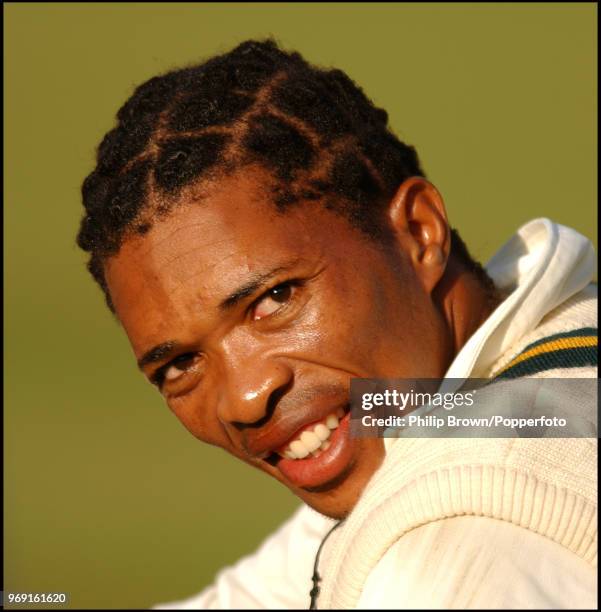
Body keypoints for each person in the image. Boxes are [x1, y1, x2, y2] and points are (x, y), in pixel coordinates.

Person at [77, 40, 597, 609]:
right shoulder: (535, 363)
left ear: (420, 234)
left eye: (276, 299)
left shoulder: (446, 561)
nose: (246, 399)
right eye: (179, 365)